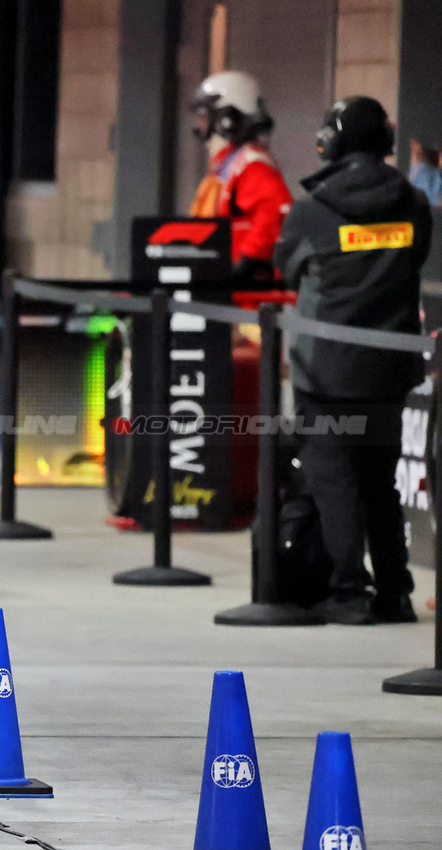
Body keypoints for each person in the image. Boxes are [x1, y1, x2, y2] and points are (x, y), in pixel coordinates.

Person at [275, 96, 432, 625]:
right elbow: (415, 257)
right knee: (379, 481)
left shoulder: (312, 207)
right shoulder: (411, 201)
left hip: (326, 369)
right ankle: (395, 593)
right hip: (388, 366)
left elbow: (287, 266)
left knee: (335, 482)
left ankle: (348, 593)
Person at [189, 70, 293, 284]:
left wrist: (245, 264)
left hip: (245, 301)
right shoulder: (230, 166)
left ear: (227, 119)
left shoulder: (252, 167)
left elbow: (273, 213)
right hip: (225, 292)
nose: (201, 126)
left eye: (205, 117)